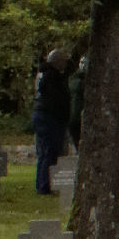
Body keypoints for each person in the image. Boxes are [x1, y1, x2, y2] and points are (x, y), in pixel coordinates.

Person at [31, 45, 78, 193]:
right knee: (48, 151)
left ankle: (45, 183)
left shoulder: (48, 74)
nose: (65, 64)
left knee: (48, 151)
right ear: (57, 62)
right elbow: (56, 100)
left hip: (48, 116)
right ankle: (44, 185)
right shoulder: (51, 77)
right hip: (49, 117)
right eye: (63, 61)